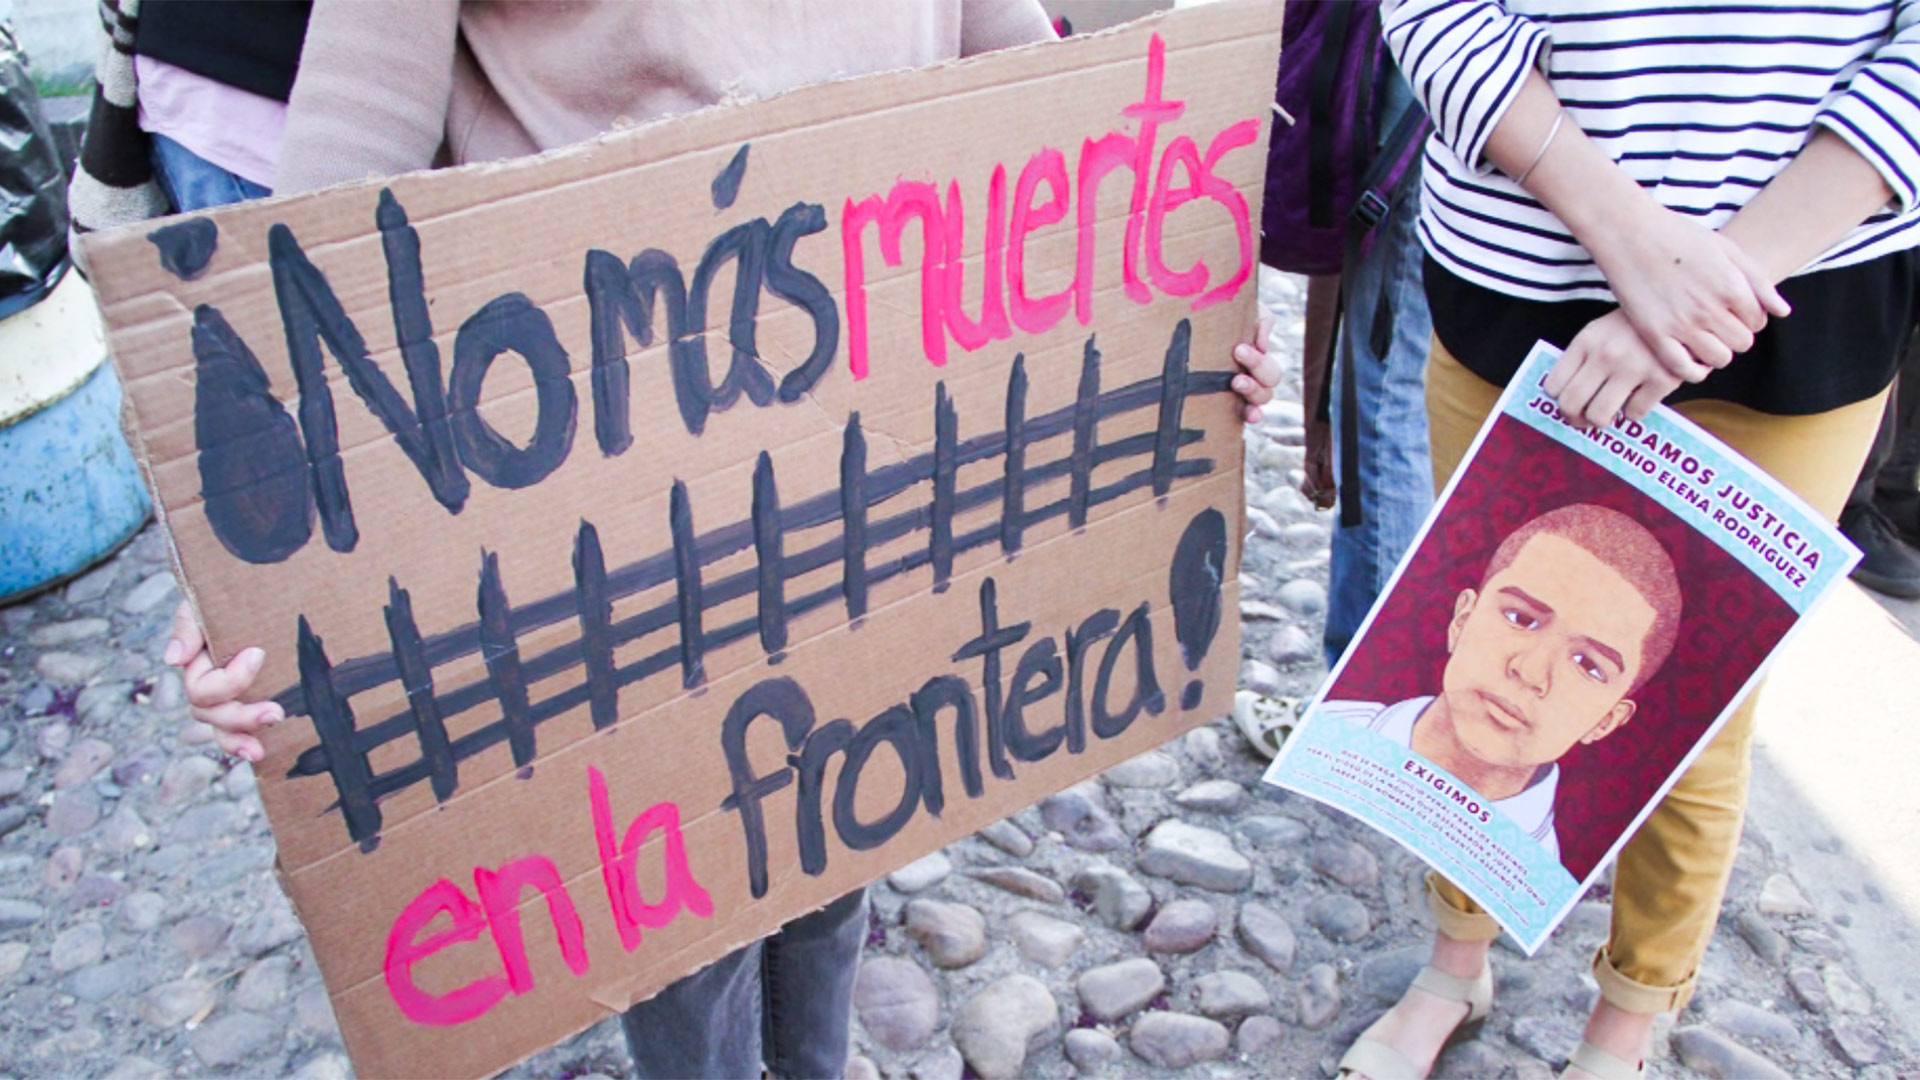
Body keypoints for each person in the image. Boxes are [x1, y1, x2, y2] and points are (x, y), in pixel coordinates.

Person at [161, 3, 1287, 1076]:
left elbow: (1039, 83)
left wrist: (1179, 285)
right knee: (678, 893)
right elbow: (336, 182)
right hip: (615, 458)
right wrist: (263, 567)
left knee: (857, 796)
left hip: (877, 415)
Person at [1317, 2, 1920, 1078]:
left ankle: (1627, 1023)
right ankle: (1455, 959)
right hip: (1524, 269)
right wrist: (1629, 239)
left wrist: (1705, 282)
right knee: (1466, 676)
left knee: (1700, 717)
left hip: (1803, 285)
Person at [1326, 503, 1683, 862]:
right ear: (1462, 618)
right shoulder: (1329, 731)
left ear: (1606, 721)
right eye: (1519, 618)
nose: (1530, 672)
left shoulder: (1547, 870)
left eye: (1587, 665)